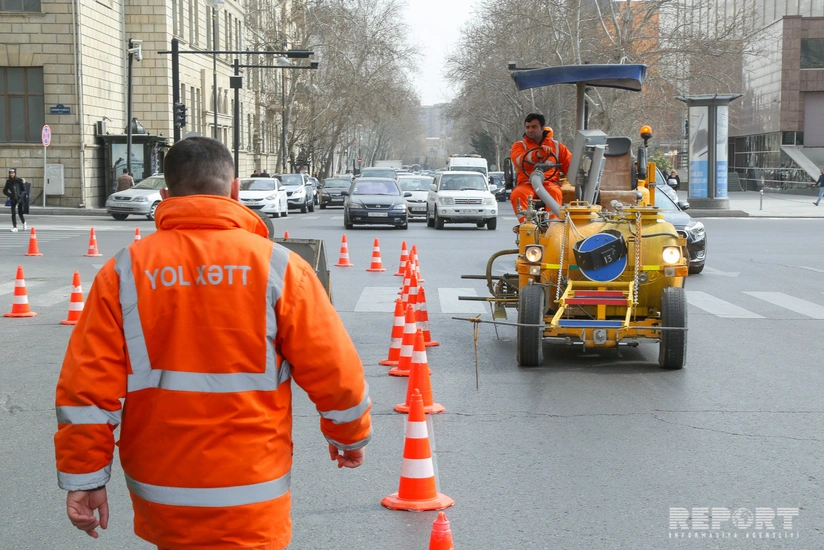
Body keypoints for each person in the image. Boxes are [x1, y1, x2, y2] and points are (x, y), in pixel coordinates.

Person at [53, 137, 372, 549]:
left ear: (165, 195)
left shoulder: (125, 272)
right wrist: (347, 436)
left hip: (162, 490)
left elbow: (86, 388)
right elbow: (334, 370)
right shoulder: (280, 268)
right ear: (235, 190)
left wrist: (86, 477)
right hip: (253, 487)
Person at [510, 113, 572, 220]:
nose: (530, 130)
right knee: (517, 194)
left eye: (534, 127)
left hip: (550, 183)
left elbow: (570, 167)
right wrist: (537, 154)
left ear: (542, 128)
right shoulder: (519, 145)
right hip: (527, 183)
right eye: (527, 127)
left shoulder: (557, 147)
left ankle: (552, 226)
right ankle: (526, 225)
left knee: (555, 193)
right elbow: (518, 160)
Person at [3, 168, 26, 232]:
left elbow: (24, 190)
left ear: (15, 173)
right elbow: (4, 191)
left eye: (12, 173)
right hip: (13, 199)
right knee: (13, 213)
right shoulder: (8, 182)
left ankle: (24, 223)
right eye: (10, 173)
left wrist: (20, 195)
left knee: (20, 213)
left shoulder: (19, 180)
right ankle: (15, 227)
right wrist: (10, 195)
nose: (11, 174)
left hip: (20, 198)